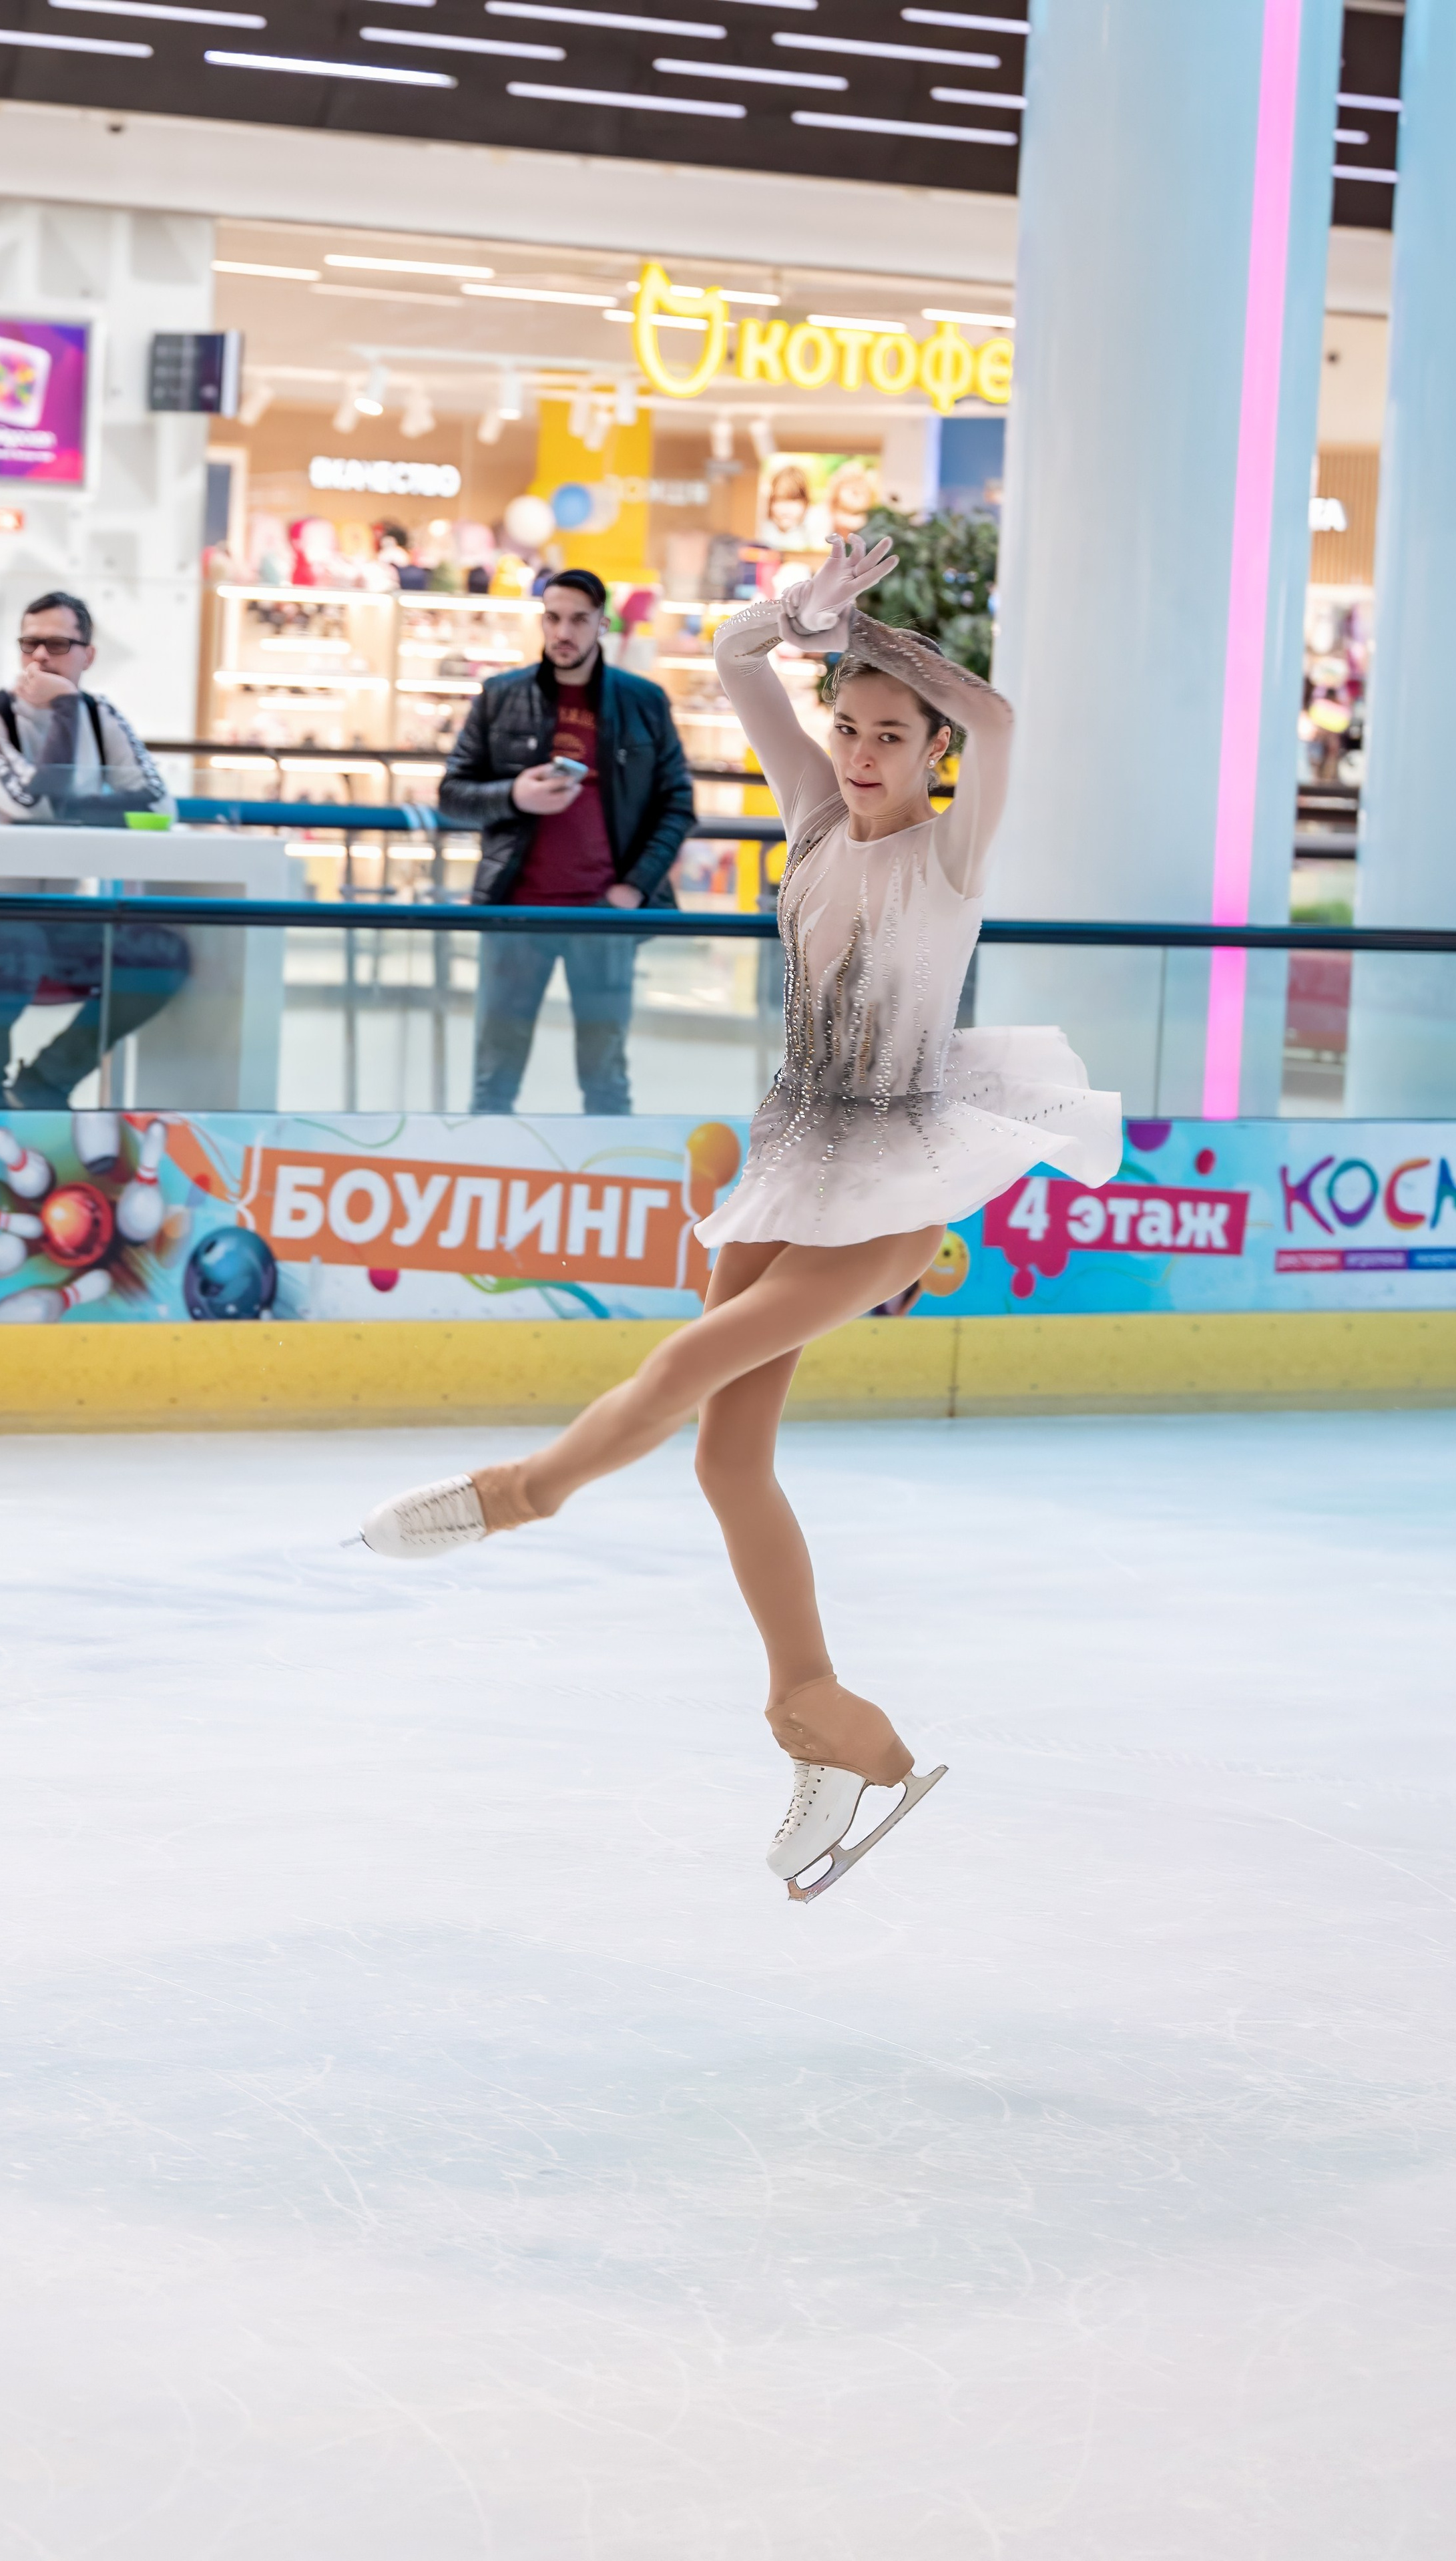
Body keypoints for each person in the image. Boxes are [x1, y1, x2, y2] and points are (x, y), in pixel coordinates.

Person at [361, 536, 1121, 1898]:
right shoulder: (814, 822)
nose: (861, 749)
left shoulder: (950, 858)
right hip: (792, 1150)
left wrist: (888, 650)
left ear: (930, 747)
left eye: (889, 733)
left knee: (683, 1366)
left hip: (889, 1178)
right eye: (847, 726)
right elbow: (727, 662)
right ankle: (822, 1720)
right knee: (723, 1459)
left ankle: (520, 1494)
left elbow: (997, 718)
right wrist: (798, 621)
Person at [0, 591, 190, 1109]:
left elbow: (161, 805)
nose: (39, 657)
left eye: (57, 645)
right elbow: (34, 802)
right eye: (29, 644)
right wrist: (65, 706)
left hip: (46, 913)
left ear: (88, 655)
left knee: (161, 958)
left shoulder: (102, 717)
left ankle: (44, 1084)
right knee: (15, 938)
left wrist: (76, 794)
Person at [439, 566, 694, 1115]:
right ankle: (490, 1186)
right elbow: (452, 793)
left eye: (579, 620)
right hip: (513, 916)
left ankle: (611, 1193)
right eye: (553, 618)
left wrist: (633, 887)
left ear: (601, 623)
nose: (564, 632)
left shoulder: (643, 702)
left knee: (605, 1080)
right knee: (494, 1079)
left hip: (605, 917)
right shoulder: (500, 696)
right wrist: (514, 795)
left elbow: (677, 805)